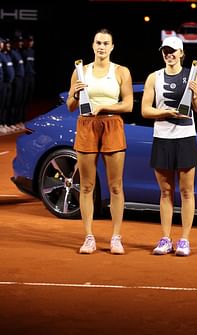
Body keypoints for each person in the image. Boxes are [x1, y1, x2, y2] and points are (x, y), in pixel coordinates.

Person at [66, 28, 133, 254]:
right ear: (93, 45)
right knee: (86, 186)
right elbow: (70, 106)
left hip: (112, 124)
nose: (102, 47)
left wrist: (105, 107)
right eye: (98, 43)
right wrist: (75, 93)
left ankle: (116, 237)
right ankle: (89, 237)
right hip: (86, 125)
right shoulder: (80, 71)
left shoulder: (121, 71)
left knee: (115, 186)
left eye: (106, 43)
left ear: (112, 47)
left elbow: (128, 105)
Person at [141, 36, 197, 256]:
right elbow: (145, 110)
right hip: (162, 138)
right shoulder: (154, 78)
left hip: (186, 138)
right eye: (165, 51)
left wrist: (195, 93)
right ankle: (166, 239)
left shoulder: (193, 76)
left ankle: (184, 240)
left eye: (173, 51)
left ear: (181, 53)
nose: (169, 54)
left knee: (187, 192)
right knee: (166, 192)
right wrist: (165, 113)